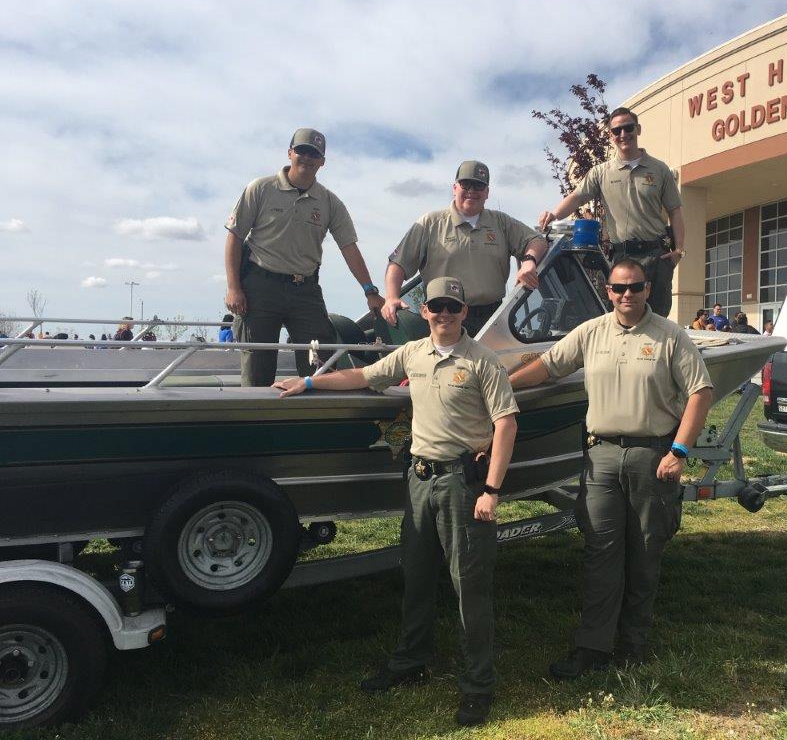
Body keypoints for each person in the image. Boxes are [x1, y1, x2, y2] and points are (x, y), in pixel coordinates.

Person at [273, 276, 518, 727]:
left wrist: (492, 491)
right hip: (419, 480)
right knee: (417, 577)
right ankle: (411, 662)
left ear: (464, 312)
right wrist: (309, 382)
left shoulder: (483, 361)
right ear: (423, 311)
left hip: (463, 485)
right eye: (436, 307)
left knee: (470, 588)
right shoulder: (412, 353)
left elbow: (506, 425)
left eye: (452, 307)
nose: (443, 314)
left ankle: (477, 685)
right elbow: (364, 376)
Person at [510, 259, 713, 677]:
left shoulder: (670, 336)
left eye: (635, 287)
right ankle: (593, 647)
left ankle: (633, 645)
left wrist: (679, 450)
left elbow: (701, 392)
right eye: (619, 288)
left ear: (646, 289)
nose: (627, 295)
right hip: (600, 456)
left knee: (643, 552)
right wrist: (503, 384)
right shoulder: (591, 332)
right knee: (600, 553)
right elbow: (549, 366)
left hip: (651, 457)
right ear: (607, 290)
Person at [224, 128, 385, 386]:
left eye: (315, 154)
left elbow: (349, 248)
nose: (307, 158)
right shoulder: (261, 188)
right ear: (290, 153)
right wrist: (233, 287)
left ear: (323, 161)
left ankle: (312, 419)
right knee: (258, 364)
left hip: (304, 288)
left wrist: (370, 290)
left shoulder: (330, 202)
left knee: (320, 360)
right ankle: (254, 420)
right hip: (260, 286)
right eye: (302, 151)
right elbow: (234, 236)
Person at [537, 107, 685, 317]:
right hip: (621, 257)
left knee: (657, 319)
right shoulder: (601, 172)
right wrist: (554, 215)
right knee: (622, 318)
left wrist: (679, 250)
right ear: (611, 136)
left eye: (628, 128)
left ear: (638, 129)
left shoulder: (659, 169)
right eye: (617, 131)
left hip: (656, 256)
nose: (623, 134)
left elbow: (675, 211)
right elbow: (577, 196)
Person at [382, 160, 549, 336]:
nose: (471, 191)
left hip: (493, 318)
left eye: (478, 186)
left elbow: (538, 241)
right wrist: (392, 297)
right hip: (444, 316)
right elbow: (398, 263)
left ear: (487, 192)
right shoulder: (430, 223)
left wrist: (529, 261)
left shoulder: (501, 222)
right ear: (455, 188)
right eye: (466, 184)